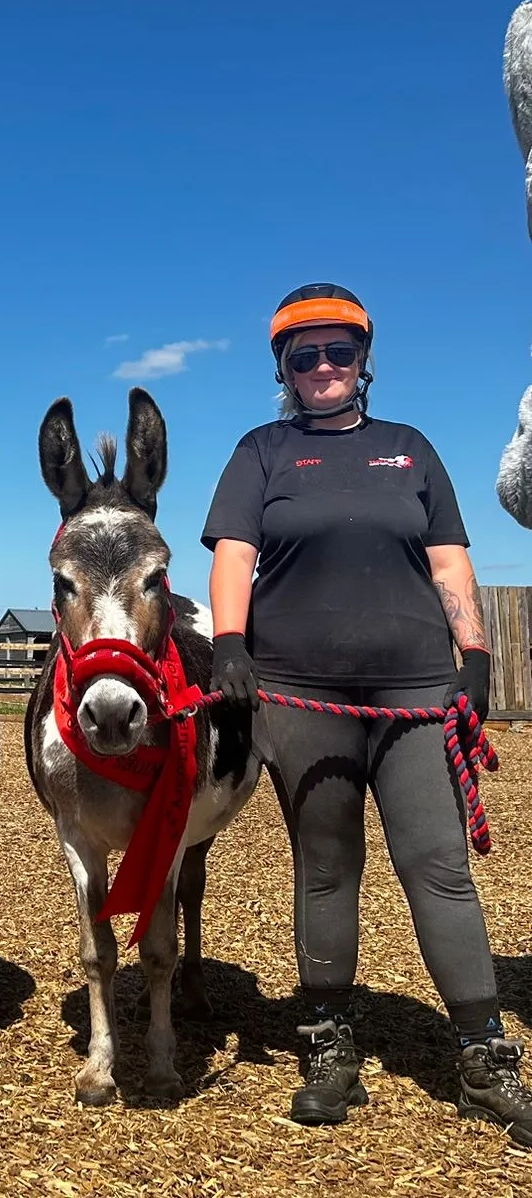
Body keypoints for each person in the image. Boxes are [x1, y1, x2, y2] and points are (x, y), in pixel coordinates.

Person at [202, 284, 532, 1144]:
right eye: (302, 356)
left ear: (363, 361)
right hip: (300, 692)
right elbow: (235, 553)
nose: (321, 368)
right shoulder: (262, 452)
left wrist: (476, 659)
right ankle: (328, 1045)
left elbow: (451, 561)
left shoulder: (409, 450)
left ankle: (484, 1054)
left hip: (417, 693)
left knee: (440, 866)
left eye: (337, 352)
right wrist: (229, 644)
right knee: (326, 866)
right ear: (283, 368)